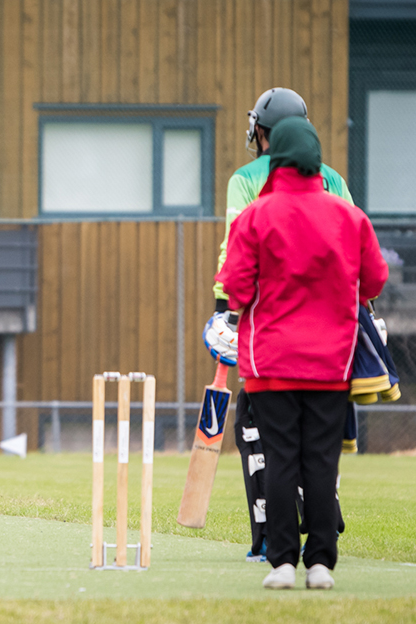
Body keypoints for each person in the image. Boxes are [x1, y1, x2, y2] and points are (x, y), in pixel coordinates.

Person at [217, 117, 388, 590]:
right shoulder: (347, 217)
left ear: (274, 159)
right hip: (331, 362)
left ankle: (282, 564)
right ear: (315, 159)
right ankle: (321, 565)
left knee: (280, 458)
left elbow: (233, 286)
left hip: (269, 362)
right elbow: (373, 280)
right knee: (320, 459)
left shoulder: (256, 215)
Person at [204, 88, 354, 562]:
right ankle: (324, 523)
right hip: (334, 332)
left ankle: (271, 539)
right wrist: (369, 315)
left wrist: (227, 309)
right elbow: (356, 249)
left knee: (258, 428)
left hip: (269, 326)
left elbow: (237, 246)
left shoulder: (247, 179)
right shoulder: (334, 180)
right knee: (321, 433)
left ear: (265, 133)